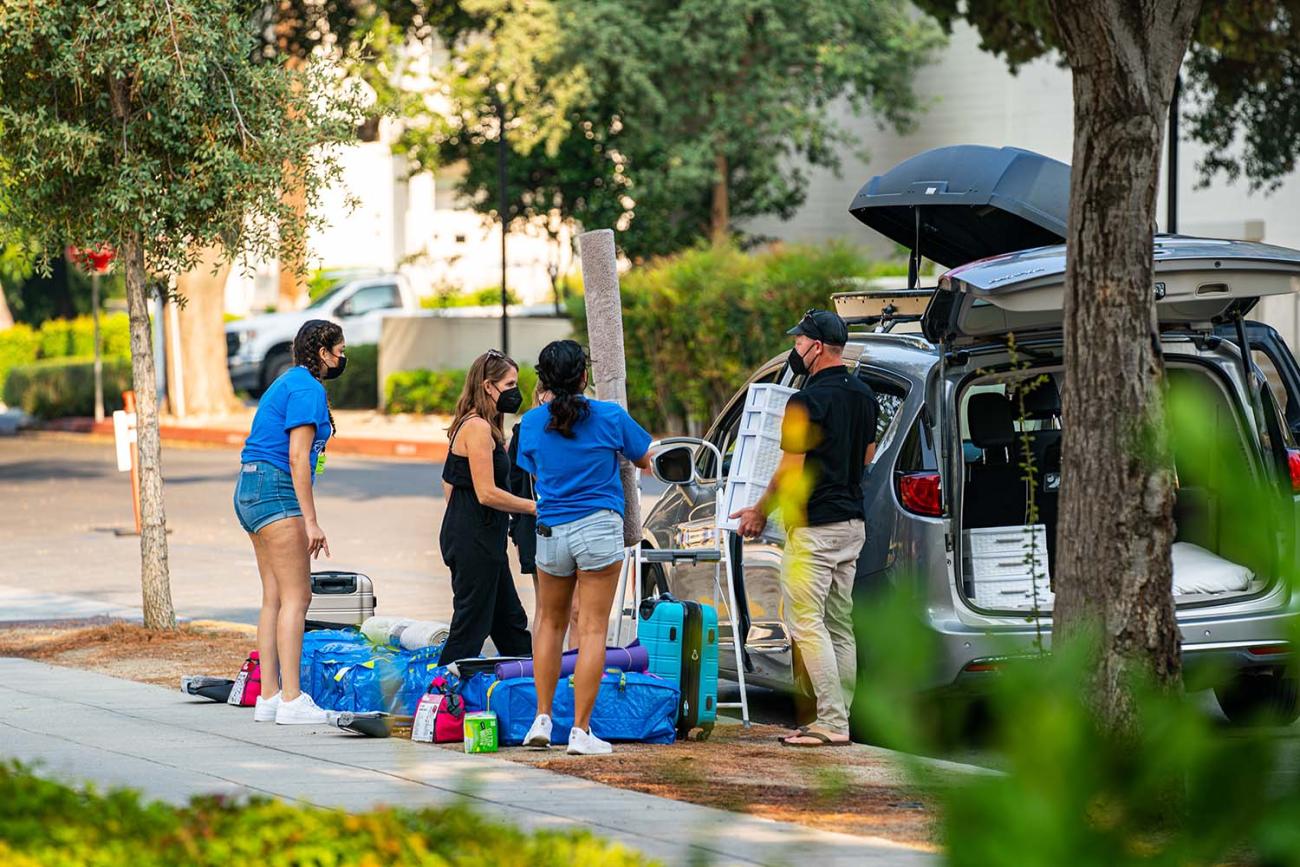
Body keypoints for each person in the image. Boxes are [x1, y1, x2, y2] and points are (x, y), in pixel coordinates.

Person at [731, 309, 877, 747]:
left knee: (806, 624)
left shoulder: (804, 401)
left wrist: (758, 511)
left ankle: (831, 722)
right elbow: (867, 458)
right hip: (852, 525)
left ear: (816, 346)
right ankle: (841, 717)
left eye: (799, 342)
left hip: (814, 528)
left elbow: (790, 470)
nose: (795, 349)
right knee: (839, 625)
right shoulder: (866, 395)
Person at [516, 340, 653, 755]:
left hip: (550, 531)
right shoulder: (610, 416)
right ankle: (580, 730)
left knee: (548, 623)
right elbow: (648, 457)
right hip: (598, 528)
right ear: (583, 376)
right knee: (592, 628)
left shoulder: (531, 423)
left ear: (542, 380)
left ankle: (541, 718)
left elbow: (535, 469)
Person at [234, 319, 347, 726]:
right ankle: (292, 700)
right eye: (339, 350)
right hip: (275, 489)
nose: (342, 357)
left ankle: (269, 696)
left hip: (250, 486)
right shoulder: (306, 389)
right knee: (298, 598)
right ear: (322, 353)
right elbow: (299, 457)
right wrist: (311, 522)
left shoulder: (289, 382)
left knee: (274, 597)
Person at [436, 350, 537, 665]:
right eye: (509, 384)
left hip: (480, 537)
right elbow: (487, 493)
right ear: (488, 386)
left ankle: (529, 693)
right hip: (474, 540)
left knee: (511, 625)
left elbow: (449, 484)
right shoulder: (477, 428)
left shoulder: (481, 426)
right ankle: (438, 695)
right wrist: (535, 507)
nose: (514, 391)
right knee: (470, 628)